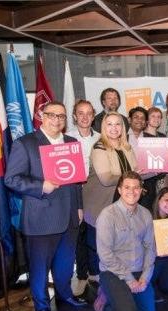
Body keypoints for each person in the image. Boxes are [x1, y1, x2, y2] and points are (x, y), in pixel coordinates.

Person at [5, 102, 86, 311]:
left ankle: (64, 295)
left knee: (64, 264)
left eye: (61, 116)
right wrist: (41, 185)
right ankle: (42, 309)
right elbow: (11, 179)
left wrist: (79, 206)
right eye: (52, 115)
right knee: (40, 270)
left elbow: (77, 181)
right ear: (42, 116)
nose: (57, 120)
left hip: (69, 215)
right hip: (41, 218)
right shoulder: (26, 143)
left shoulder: (71, 143)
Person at [94, 171, 156, 311]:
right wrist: (129, 280)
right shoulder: (107, 215)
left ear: (141, 190)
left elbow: (150, 247)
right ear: (120, 190)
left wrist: (145, 277)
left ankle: (122, 298)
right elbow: (105, 255)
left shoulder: (146, 214)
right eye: (127, 187)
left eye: (136, 188)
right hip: (112, 272)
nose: (132, 191)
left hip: (138, 271)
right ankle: (104, 309)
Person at [83, 112, 137, 289]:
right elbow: (106, 179)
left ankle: (116, 280)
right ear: (103, 128)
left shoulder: (127, 147)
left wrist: (163, 167)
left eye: (118, 124)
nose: (114, 128)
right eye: (109, 125)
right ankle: (101, 282)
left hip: (120, 201)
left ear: (123, 127)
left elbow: (138, 174)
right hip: (100, 202)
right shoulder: (99, 147)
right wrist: (132, 177)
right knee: (102, 246)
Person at [66, 100, 102, 296]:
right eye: (81, 113)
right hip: (74, 192)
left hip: (96, 193)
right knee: (78, 235)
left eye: (89, 113)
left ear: (93, 116)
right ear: (74, 116)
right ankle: (81, 275)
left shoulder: (101, 138)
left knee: (94, 233)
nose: (85, 117)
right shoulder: (66, 139)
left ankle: (95, 272)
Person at [151, 187, 168, 299]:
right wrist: (156, 253)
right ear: (158, 200)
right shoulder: (147, 217)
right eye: (166, 200)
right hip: (150, 260)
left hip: (167, 259)